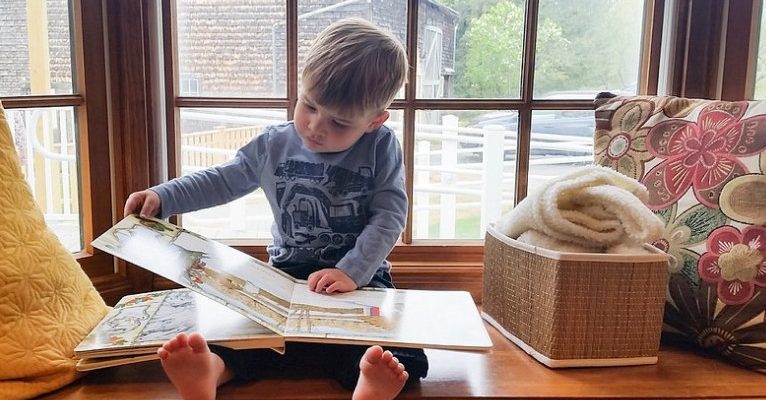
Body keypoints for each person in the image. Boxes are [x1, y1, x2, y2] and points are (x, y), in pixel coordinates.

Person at [123, 17, 427, 400]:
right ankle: (211, 371)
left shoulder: (381, 147)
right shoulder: (274, 145)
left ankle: (368, 382)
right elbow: (223, 179)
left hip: (360, 281)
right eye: (309, 105)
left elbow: (390, 217)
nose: (316, 126)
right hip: (284, 277)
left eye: (339, 122)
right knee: (245, 336)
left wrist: (352, 271)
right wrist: (165, 197)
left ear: (374, 121)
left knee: (397, 350)